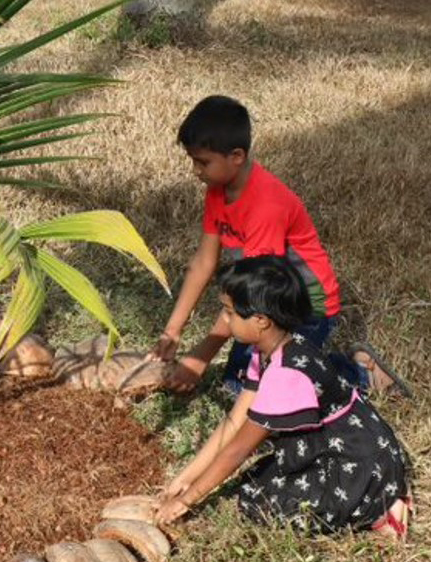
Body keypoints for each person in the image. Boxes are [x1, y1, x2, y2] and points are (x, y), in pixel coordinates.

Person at [150, 95, 396, 394]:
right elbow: (204, 262)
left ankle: (357, 372)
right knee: (237, 383)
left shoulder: (266, 206)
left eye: (203, 162)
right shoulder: (218, 190)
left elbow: (253, 290)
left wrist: (202, 354)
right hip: (265, 300)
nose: (196, 171)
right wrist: (173, 331)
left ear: (237, 156)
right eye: (193, 161)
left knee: (271, 394)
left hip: (307, 305)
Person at [155, 256, 411, 539]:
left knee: (261, 502)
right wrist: (185, 478)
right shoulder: (269, 349)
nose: (224, 321)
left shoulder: (284, 376)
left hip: (359, 463)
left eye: (229, 313)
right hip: (345, 444)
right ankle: (375, 497)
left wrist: (185, 501)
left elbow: (237, 451)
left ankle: (379, 509)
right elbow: (233, 422)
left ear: (261, 320)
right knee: (254, 482)